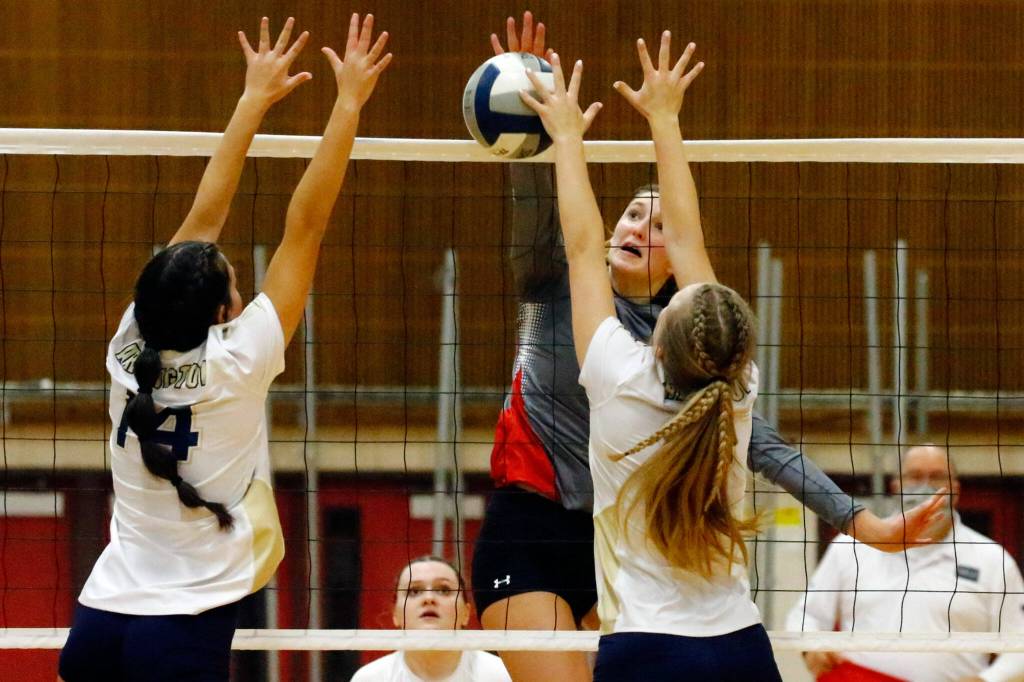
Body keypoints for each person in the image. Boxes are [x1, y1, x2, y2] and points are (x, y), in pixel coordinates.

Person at [471, 13, 945, 682]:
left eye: (658, 222)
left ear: (673, 276)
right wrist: (531, 120)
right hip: (535, 526)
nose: (640, 224)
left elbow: (767, 447)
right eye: (634, 212)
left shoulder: (644, 357)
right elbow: (549, 227)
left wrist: (852, 516)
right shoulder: (559, 300)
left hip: (642, 557)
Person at [57, 14, 391, 681]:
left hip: (105, 614)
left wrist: (251, 100)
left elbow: (207, 219)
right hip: (186, 621)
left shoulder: (127, 345)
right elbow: (308, 223)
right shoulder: (240, 361)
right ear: (222, 312)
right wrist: (348, 102)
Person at [786, 445, 1024, 682]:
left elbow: (1020, 643)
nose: (925, 485)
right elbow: (807, 615)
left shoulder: (993, 560)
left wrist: (988, 679)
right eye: (915, 476)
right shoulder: (851, 545)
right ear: (896, 485)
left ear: (956, 488)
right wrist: (812, 646)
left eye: (937, 477)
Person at [351, 557, 511, 682]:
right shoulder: (370, 678)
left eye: (443, 590)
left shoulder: (501, 675)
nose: (429, 598)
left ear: (466, 613)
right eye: (414, 591)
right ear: (395, 614)